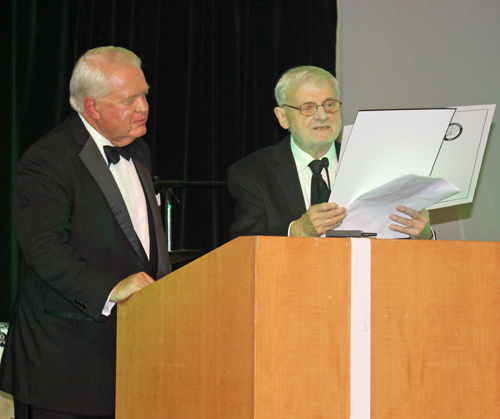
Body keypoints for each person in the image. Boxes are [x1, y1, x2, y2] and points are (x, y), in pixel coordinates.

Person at [0, 46, 170, 418]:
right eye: (129, 99)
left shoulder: (138, 151)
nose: (143, 106)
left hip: (129, 358)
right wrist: (111, 288)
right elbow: (44, 249)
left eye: (145, 94)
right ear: (92, 107)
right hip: (65, 367)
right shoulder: (48, 158)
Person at [227, 65, 433, 240]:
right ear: (283, 117)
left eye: (330, 104)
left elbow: (393, 237)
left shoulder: (373, 168)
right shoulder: (252, 173)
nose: (323, 116)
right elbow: (242, 248)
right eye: (308, 108)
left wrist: (422, 235)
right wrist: (296, 231)